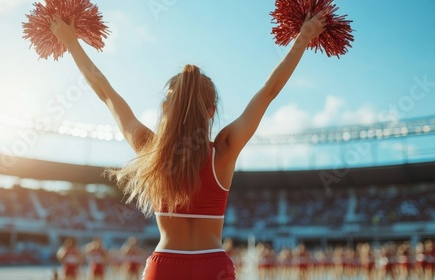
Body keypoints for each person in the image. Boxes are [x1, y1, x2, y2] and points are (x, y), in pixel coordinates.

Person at [50, 10, 326, 280]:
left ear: (165, 107)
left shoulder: (150, 150)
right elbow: (269, 91)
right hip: (213, 265)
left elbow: (106, 93)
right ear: (211, 110)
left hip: (165, 265)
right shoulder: (225, 148)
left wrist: (72, 42)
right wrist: (302, 36)